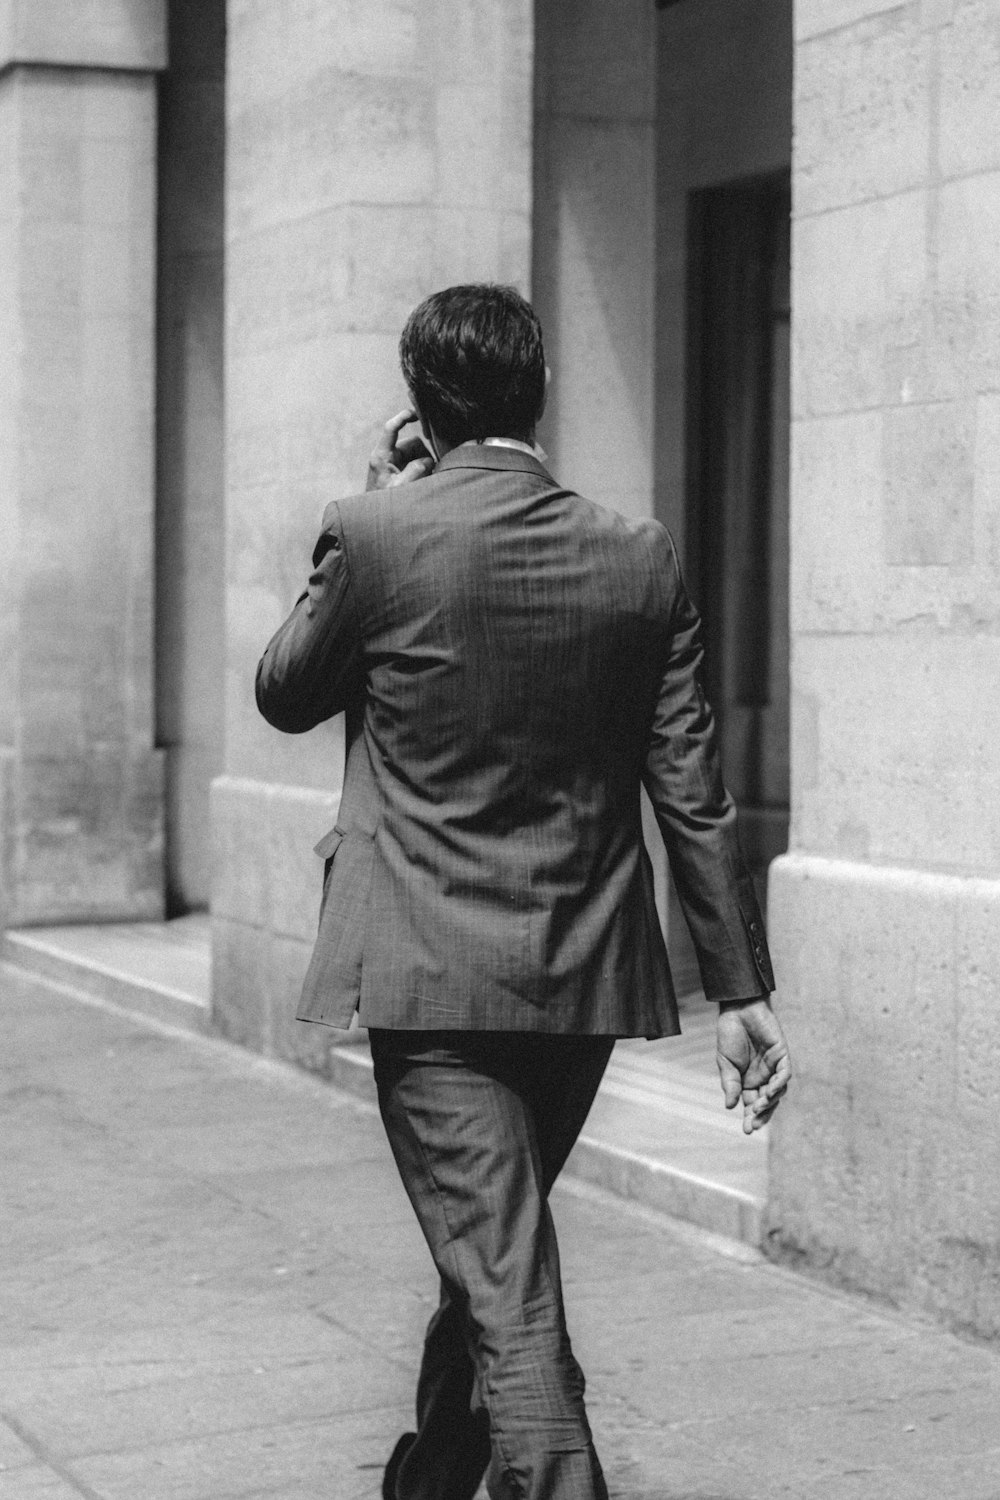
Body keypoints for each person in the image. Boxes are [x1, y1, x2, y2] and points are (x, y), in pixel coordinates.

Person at [255, 283, 791, 1500]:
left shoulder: (378, 533)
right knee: (490, 1257)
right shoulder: (637, 555)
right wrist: (741, 989)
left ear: (420, 411)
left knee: (501, 1275)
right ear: (537, 396)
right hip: (581, 983)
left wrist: (376, 512)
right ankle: (432, 1482)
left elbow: (285, 688)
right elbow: (690, 788)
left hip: (428, 978)